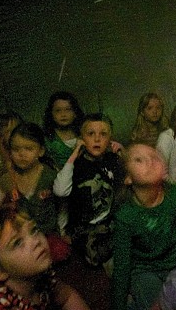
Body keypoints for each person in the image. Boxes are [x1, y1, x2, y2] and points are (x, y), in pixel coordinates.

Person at [0, 205, 90, 310]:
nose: (36, 241)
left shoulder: (38, 272)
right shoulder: (0, 308)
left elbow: (66, 297)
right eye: (17, 242)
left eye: (34, 230)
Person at [111, 143, 176, 310]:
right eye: (139, 159)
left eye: (154, 156)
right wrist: (117, 307)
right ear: (128, 178)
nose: (150, 161)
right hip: (145, 270)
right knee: (158, 306)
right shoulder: (126, 215)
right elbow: (122, 264)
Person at [0, 122, 71, 263]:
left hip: (47, 231)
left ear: (40, 151)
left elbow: (62, 206)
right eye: (16, 149)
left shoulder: (50, 175)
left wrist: (63, 231)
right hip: (21, 235)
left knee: (60, 252)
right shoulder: (8, 178)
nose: (21, 154)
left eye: (28, 149)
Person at [53, 113, 124, 268]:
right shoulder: (77, 165)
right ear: (82, 138)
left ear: (110, 138)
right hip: (84, 226)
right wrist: (75, 153)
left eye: (103, 134)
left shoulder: (113, 161)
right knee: (94, 255)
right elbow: (60, 191)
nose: (97, 139)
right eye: (90, 134)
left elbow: (130, 180)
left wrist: (122, 153)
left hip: (109, 220)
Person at [42, 91, 84, 170]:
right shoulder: (46, 139)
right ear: (51, 114)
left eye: (68, 109)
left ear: (75, 113)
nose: (63, 114)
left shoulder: (84, 135)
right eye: (58, 110)